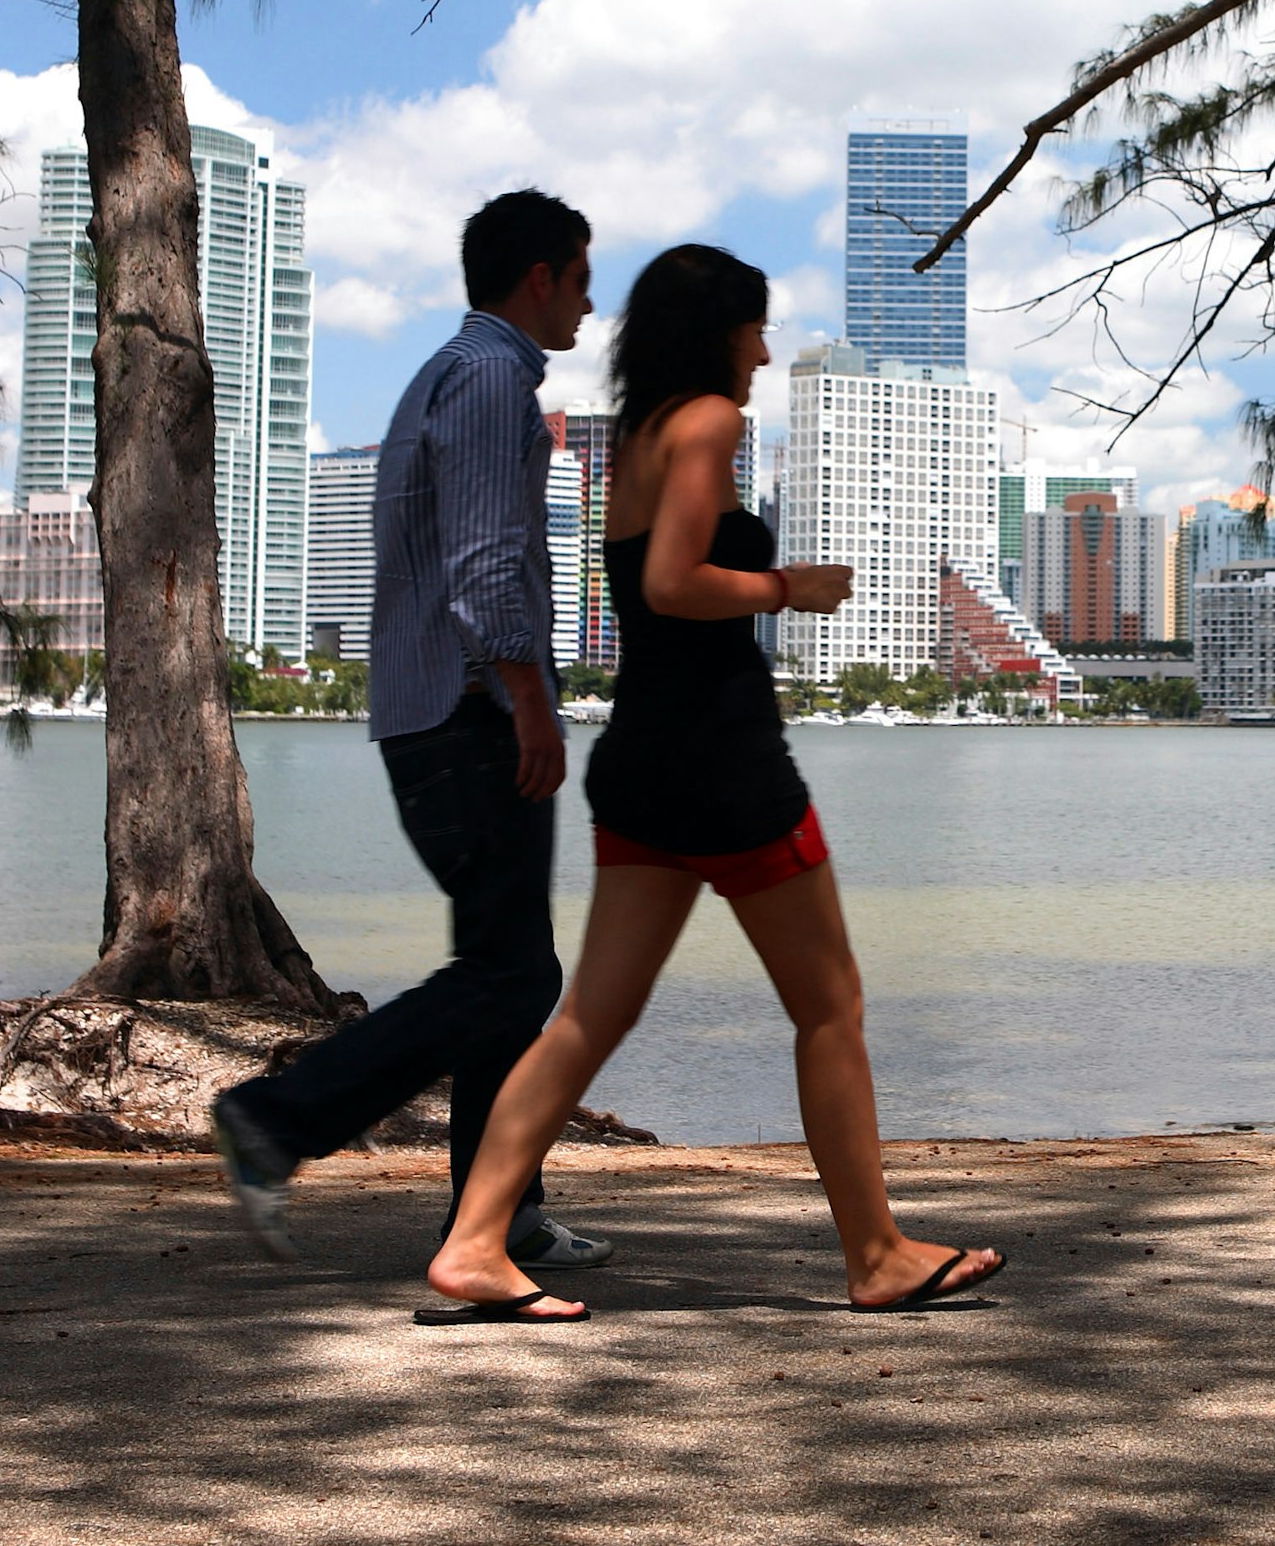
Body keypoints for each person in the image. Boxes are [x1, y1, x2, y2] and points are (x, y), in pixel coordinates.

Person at [416, 243, 1005, 1325]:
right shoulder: (705, 424)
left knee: (587, 1016)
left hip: (640, 763)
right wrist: (791, 585)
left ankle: (471, 1244)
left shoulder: (640, 435)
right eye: (755, 329)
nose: (767, 351)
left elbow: (647, 584)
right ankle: (875, 1253)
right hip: (725, 765)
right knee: (830, 1005)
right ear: (716, 331)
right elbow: (673, 581)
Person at [209, 189, 610, 1273]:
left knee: (506, 966)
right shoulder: (488, 381)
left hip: (437, 714)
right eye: (581, 276)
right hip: (467, 715)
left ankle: (500, 1214)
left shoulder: (450, 371)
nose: (589, 299)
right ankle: (277, 1121)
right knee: (511, 977)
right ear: (538, 278)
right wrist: (529, 697)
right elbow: (485, 565)